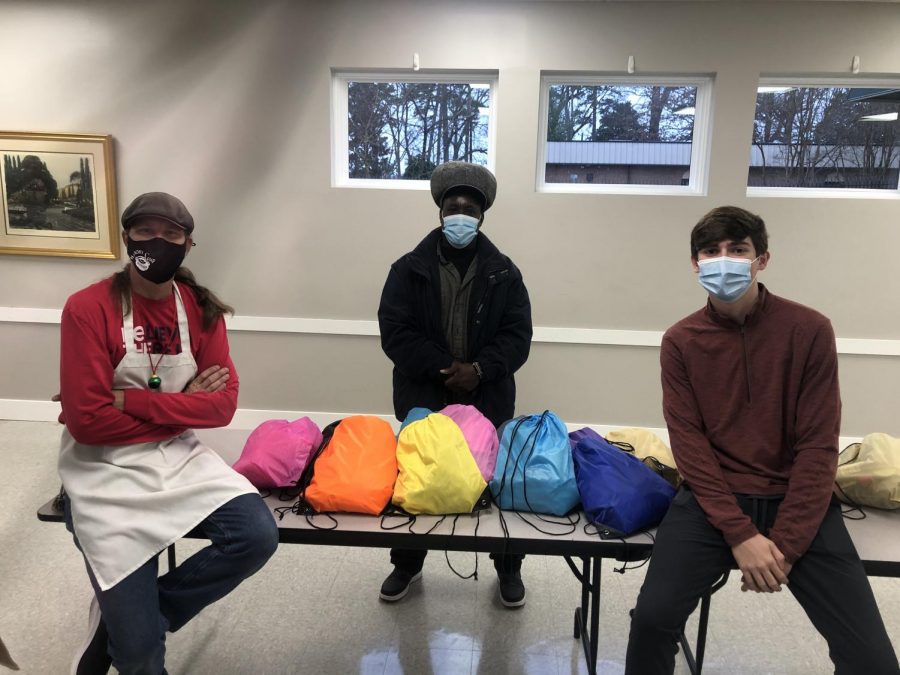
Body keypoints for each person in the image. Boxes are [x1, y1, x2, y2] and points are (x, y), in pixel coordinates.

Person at [625, 206, 899, 674]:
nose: (723, 259)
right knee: (651, 621)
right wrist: (741, 533)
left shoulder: (809, 330)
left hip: (798, 501)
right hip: (710, 504)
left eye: (738, 250)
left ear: (762, 259)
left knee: (873, 660)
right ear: (695, 263)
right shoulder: (681, 341)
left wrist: (785, 546)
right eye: (711, 251)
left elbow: (818, 445)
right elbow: (690, 448)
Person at [58, 192, 278, 675]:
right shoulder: (87, 308)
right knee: (138, 658)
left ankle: (131, 619)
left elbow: (221, 407)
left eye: (171, 235)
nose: (158, 242)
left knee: (256, 535)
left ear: (188, 244)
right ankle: (129, 629)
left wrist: (126, 399)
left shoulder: (201, 310)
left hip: (176, 456)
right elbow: (87, 422)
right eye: (145, 232)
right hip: (102, 468)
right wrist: (184, 406)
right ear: (126, 238)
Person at [377, 161, 533, 607]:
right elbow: (396, 331)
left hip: (487, 397)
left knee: (494, 483)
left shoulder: (505, 271)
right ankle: (406, 564)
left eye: (470, 207)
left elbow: (517, 336)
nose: (460, 213)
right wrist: (446, 367)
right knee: (418, 480)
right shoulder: (408, 269)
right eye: (453, 205)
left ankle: (508, 568)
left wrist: (479, 370)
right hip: (424, 394)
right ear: (440, 210)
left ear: (482, 215)